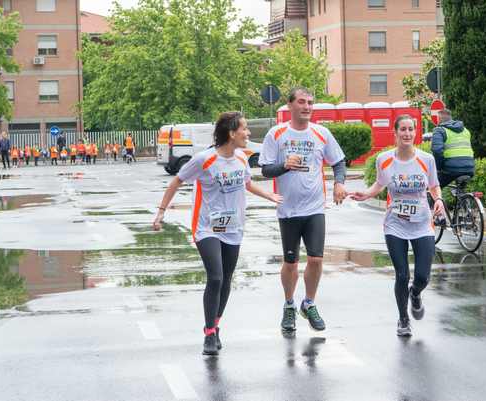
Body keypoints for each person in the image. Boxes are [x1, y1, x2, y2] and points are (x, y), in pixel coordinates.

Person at [152, 112, 282, 356]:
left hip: (233, 226)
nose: (248, 133)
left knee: (227, 278)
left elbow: (246, 184)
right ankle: (209, 334)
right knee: (216, 277)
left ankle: (215, 323)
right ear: (231, 133)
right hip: (207, 227)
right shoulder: (204, 159)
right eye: (244, 129)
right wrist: (161, 212)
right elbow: (176, 182)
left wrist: (270, 196)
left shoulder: (242, 158)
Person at [258, 86, 347, 333]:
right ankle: (289, 305)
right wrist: (284, 165)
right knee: (291, 262)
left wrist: (339, 182)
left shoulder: (321, 133)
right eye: (301, 102)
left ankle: (308, 303)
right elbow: (265, 169)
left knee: (316, 259)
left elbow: (338, 161)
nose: (307, 107)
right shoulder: (276, 135)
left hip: (315, 207)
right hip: (288, 209)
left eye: (310, 102)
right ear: (290, 106)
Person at [350, 115, 445, 337]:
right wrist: (366, 194)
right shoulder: (384, 159)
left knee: (422, 277)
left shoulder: (426, 159)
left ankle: (416, 294)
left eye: (411, 129)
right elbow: (380, 184)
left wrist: (438, 200)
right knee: (402, 275)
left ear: (415, 133)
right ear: (395, 132)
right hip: (395, 225)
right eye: (402, 129)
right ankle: (403, 319)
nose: (407, 133)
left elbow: (434, 186)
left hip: (422, 224)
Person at [431, 109, 475, 188]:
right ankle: (463, 199)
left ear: (439, 119)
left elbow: (437, 151)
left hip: (451, 169)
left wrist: (438, 168)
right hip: (470, 168)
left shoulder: (439, 130)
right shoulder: (465, 130)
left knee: (433, 187)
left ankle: (436, 200)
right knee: (460, 192)